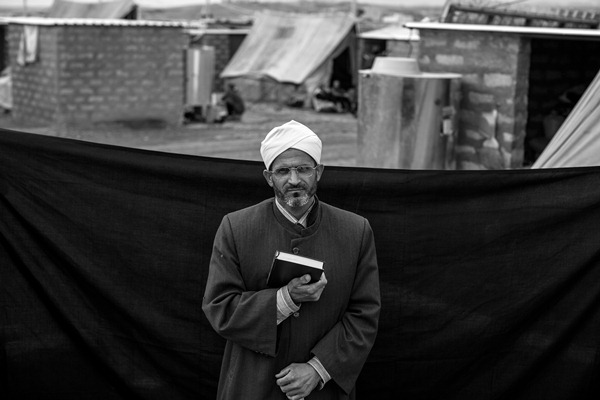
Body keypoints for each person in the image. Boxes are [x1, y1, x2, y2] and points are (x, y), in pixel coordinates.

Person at [202, 120, 381, 399]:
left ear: (318, 172)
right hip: (252, 386)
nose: (294, 180)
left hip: (324, 390)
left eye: (303, 169)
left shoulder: (355, 231)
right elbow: (219, 308)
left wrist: (317, 369)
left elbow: (365, 315)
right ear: (268, 177)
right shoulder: (236, 228)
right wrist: (285, 299)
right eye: (283, 171)